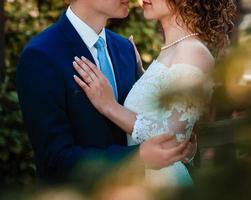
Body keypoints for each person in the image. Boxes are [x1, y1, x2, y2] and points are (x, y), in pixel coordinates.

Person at [16, 0, 193, 183]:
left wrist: (175, 138)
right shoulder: (40, 56)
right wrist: (137, 158)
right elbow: (54, 160)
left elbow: (137, 121)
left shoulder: (125, 49)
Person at [72, 0, 237, 186]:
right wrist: (140, 75)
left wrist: (109, 106)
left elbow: (171, 139)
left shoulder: (194, 52)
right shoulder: (172, 50)